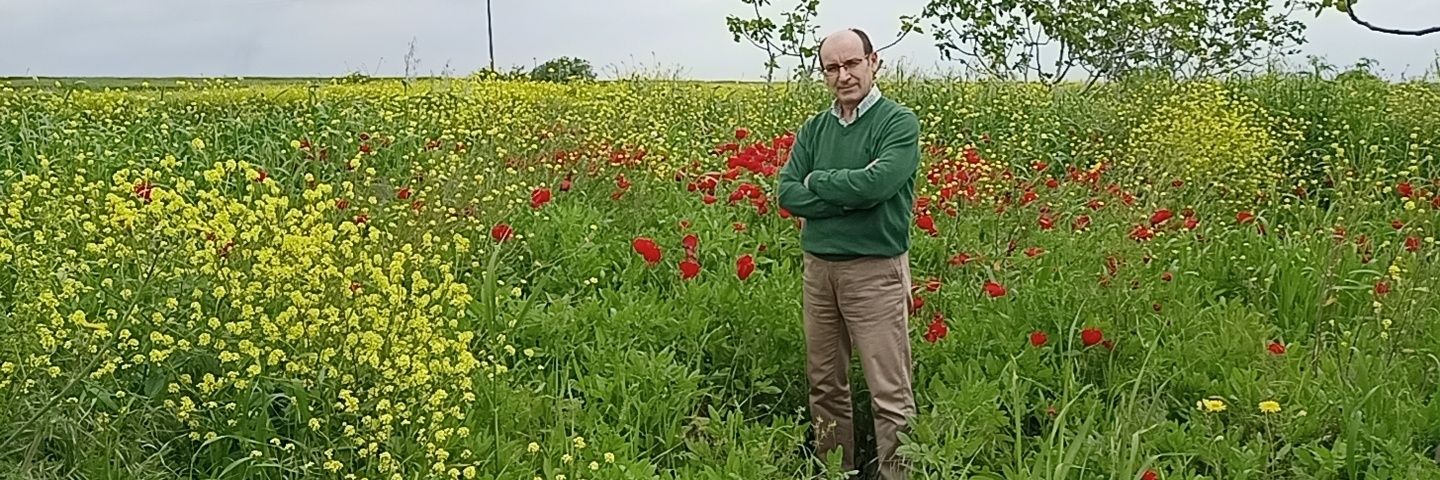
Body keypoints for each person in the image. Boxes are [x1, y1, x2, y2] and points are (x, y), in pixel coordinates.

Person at [776, 27, 921, 480]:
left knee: (889, 392)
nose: (843, 75)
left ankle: (896, 475)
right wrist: (848, 193)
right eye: (832, 68)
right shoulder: (815, 128)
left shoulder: (897, 123)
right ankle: (834, 471)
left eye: (852, 63)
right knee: (825, 385)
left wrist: (818, 182)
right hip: (819, 271)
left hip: (874, 271)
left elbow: (878, 185)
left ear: (873, 62)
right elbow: (786, 191)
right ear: (823, 74)